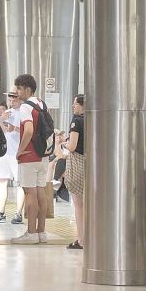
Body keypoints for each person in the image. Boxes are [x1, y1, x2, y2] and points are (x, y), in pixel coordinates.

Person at [11, 74, 50, 245]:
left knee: (30, 194)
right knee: (41, 192)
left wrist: (20, 151)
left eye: (19, 88)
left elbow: (28, 131)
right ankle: (41, 232)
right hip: (43, 156)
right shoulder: (42, 103)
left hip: (29, 156)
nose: (17, 92)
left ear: (28, 89)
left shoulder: (26, 107)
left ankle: (31, 233)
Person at [0, 93, 26, 225]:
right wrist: (1, 119)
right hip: (5, 152)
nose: (12, 102)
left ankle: (18, 213)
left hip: (18, 152)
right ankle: (1, 212)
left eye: (14, 99)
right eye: (10, 100)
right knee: (2, 181)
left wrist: (14, 128)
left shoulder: (25, 112)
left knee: (20, 183)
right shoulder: (8, 112)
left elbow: (28, 132)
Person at [62, 94, 85, 250]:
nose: (73, 107)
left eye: (75, 104)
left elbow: (72, 146)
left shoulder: (76, 121)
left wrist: (63, 141)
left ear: (82, 105)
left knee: (79, 205)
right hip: (92, 164)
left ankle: (82, 240)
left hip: (78, 163)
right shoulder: (95, 118)